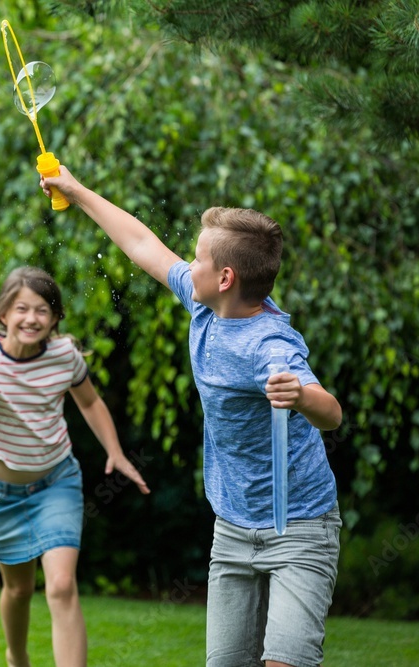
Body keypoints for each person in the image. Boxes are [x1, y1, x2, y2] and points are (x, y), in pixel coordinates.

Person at [40, 169, 343, 667]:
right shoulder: (206, 307)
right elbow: (141, 243)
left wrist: (301, 396)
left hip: (300, 528)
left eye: (198, 258)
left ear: (226, 278)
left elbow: (329, 413)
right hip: (233, 527)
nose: (188, 264)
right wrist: (74, 192)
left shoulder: (269, 343)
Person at [0, 266, 150, 667]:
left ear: (54, 318)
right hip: (0, 496)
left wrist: (115, 452)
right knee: (18, 590)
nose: (32, 318)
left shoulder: (64, 355)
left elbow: (89, 402)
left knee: (62, 587)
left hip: (56, 483)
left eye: (42, 310)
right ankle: (16, 657)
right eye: (21, 309)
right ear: (3, 314)